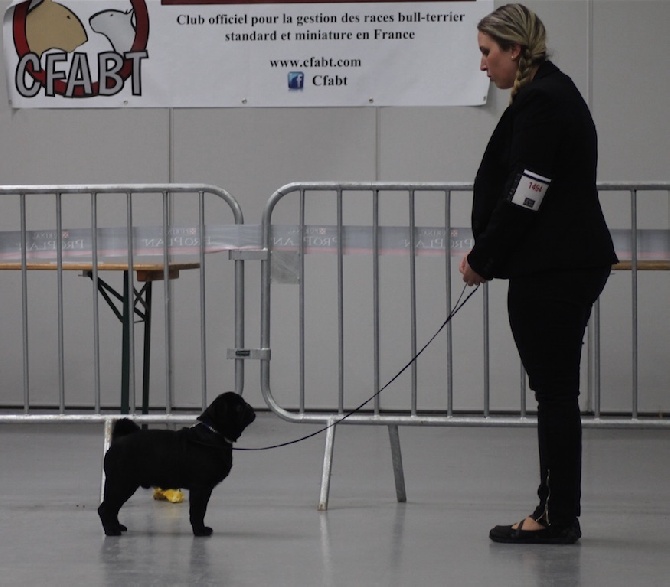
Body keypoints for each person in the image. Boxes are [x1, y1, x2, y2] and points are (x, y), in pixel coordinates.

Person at [460, 3, 618, 544]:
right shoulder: (547, 93)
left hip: (554, 267)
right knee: (555, 393)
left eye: (488, 53)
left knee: (553, 395)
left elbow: (528, 192)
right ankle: (556, 510)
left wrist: (483, 258)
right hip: (558, 263)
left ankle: (555, 516)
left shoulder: (545, 103)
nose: (484, 66)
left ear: (515, 51)